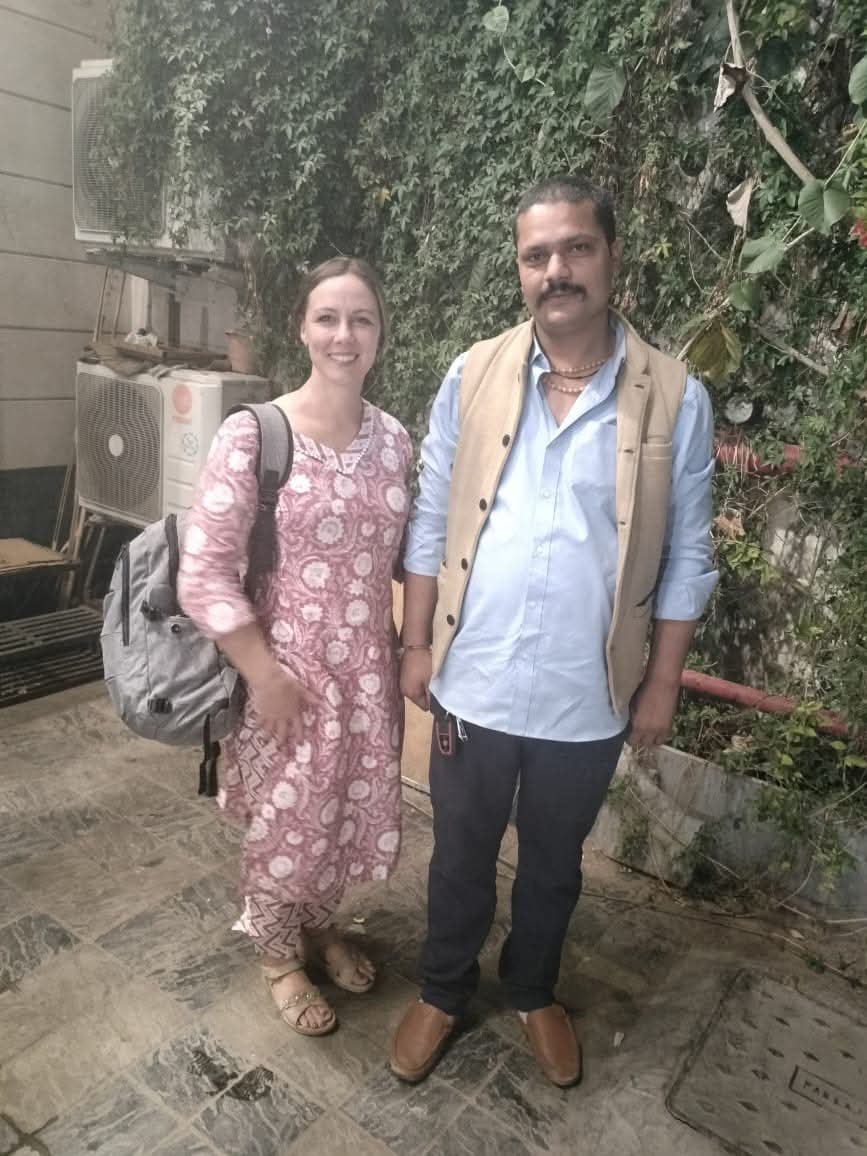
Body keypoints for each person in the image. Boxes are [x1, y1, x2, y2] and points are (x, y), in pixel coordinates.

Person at [390, 175, 718, 1086]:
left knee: (553, 862)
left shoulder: (675, 396)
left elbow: (689, 554)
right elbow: (429, 517)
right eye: (536, 255)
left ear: (611, 257)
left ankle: (533, 989)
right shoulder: (472, 374)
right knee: (458, 853)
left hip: (587, 689)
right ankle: (442, 989)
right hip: (475, 676)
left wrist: (660, 683)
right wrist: (415, 642)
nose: (556, 270)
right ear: (519, 269)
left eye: (576, 248)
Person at [178, 257, 413, 1036]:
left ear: (380, 333)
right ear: (301, 329)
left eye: (361, 319)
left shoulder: (394, 441)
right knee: (285, 826)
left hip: (365, 679)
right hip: (284, 679)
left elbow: (410, 555)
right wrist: (262, 672)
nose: (344, 335)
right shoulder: (255, 435)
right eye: (327, 318)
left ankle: (318, 923)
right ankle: (279, 955)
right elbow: (204, 571)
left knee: (338, 814)